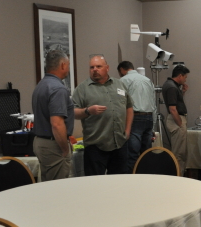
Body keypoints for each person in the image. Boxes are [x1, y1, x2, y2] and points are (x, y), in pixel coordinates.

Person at [72, 54, 133, 176]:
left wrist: (127, 130)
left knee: (119, 183)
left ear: (107, 68)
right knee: (95, 186)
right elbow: (73, 112)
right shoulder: (82, 89)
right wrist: (88, 111)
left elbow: (129, 107)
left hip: (119, 143)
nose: (95, 69)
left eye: (98, 66)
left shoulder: (119, 84)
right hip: (95, 146)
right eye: (92, 67)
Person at [31, 49, 74, 181]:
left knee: (47, 187)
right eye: (68, 65)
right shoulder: (58, 89)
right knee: (58, 191)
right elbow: (57, 124)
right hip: (54, 145)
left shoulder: (41, 85)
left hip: (41, 142)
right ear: (62, 65)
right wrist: (65, 149)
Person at [117, 61, 156, 173]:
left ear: (122, 70)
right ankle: (147, 180)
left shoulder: (123, 80)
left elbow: (121, 103)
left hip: (135, 119)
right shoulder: (147, 80)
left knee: (132, 155)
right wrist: (153, 127)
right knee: (146, 155)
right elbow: (153, 104)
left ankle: (132, 184)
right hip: (149, 117)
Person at [162, 64, 190, 175]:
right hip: (176, 121)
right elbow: (173, 109)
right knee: (179, 153)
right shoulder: (172, 87)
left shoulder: (171, 85)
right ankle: (178, 176)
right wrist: (180, 123)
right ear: (180, 76)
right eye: (185, 77)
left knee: (180, 151)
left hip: (176, 120)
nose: (185, 79)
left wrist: (183, 92)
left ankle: (179, 175)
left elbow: (176, 103)